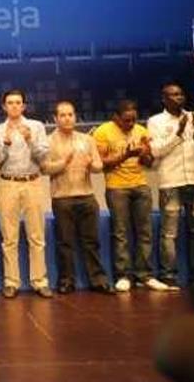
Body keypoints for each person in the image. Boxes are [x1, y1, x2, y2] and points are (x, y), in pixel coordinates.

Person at [92, 99, 169, 292]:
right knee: (120, 233)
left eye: (134, 119)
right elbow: (102, 164)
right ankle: (123, 275)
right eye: (126, 120)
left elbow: (150, 163)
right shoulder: (103, 131)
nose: (131, 124)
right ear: (116, 117)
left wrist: (144, 154)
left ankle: (145, 275)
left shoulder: (142, 131)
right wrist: (126, 154)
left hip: (140, 185)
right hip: (117, 187)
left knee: (145, 232)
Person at [41, 100, 114, 294]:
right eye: (62, 115)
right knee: (65, 243)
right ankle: (66, 281)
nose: (67, 118)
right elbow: (45, 168)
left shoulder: (86, 139)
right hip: (62, 197)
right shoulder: (48, 141)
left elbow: (99, 167)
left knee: (92, 242)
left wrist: (91, 163)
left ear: (75, 116)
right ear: (55, 118)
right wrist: (64, 162)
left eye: (70, 114)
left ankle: (98, 280)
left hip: (87, 196)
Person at [0, 89, 52, 298]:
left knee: (36, 236)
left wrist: (30, 140)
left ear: (24, 106)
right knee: (9, 237)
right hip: (8, 183)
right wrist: (5, 144)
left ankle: (40, 281)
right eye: (10, 103)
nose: (14, 106)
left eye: (18, 102)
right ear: (4, 107)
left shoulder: (36, 126)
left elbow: (43, 155)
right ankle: (11, 281)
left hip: (32, 181)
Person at [148, 83, 194, 290]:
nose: (178, 98)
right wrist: (179, 132)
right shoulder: (155, 121)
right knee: (169, 233)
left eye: (181, 94)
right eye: (173, 95)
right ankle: (169, 275)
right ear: (163, 99)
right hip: (170, 180)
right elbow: (156, 151)